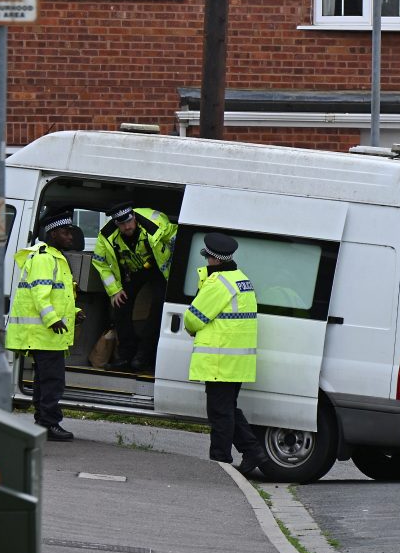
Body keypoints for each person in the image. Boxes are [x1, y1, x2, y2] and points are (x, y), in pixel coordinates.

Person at [186, 233, 270, 479]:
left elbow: (193, 318)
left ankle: (220, 463)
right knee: (227, 409)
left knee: (219, 413)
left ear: (214, 260)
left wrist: (192, 328)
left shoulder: (219, 283)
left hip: (221, 360)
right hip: (237, 361)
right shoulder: (242, 280)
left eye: (208, 258)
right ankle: (253, 452)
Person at [8, 211, 81, 442]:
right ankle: (49, 424)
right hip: (45, 333)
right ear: (53, 234)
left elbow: (61, 297)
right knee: (52, 381)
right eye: (66, 232)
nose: (71, 236)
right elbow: (40, 295)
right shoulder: (44, 258)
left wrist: (75, 313)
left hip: (47, 334)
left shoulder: (53, 256)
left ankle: (43, 422)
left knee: (44, 380)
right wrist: (52, 320)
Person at [91, 202, 177, 372]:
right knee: (120, 305)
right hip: (134, 271)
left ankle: (143, 356)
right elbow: (99, 262)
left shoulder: (154, 224)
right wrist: (115, 290)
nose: (127, 226)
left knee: (159, 306)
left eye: (129, 221)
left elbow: (177, 237)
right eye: (122, 224)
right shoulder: (107, 235)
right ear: (116, 224)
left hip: (160, 269)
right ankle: (125, 356)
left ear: (134, 217)